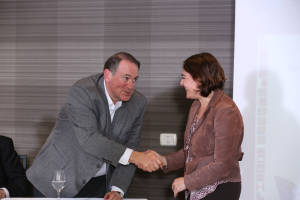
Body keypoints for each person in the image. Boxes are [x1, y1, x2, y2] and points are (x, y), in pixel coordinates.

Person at [26, 52, 162, 200]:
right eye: (126, 78)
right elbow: (90, 140)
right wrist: (136, 157)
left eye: (135, 79)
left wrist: (117, 189)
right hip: (58, 179)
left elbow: (131, 145)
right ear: (108, 75)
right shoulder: (82, 91)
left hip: (99, 185)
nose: (131, 86)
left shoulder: (138, 103)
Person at [158, 52, 244, 200]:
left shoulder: (226, 110)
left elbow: (224, 164)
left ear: (199, 79)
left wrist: (187, 181)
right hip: (198, 187)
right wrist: (165, 161)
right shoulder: (196, 106)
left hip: (220, 190)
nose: (181, 83)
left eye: (184, 77)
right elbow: (191, 151)